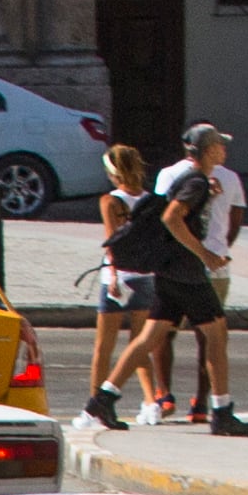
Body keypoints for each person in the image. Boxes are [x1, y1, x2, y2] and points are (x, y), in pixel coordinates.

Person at [149, 124, 248, 438]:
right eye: (220, 145)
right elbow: (171, 217)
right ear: (206, 150)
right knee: (209, 336)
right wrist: (213, 251)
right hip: (197, 266)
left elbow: (161, 216)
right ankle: (206, 404)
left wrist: (215, 250)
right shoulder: (194, 178)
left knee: (165, 333)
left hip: (185, 264)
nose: (225, 150)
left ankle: (165, 395)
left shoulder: (224, 178)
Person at [81, 139, 171, 427]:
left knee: (103, 347)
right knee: (139, 344)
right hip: (146, 277)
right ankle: (150, 403)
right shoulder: (151, 201)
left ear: (113, 173)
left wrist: (114, 278)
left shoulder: (110, 201)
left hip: (119, 277)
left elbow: (113, 242)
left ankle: (95, 405)